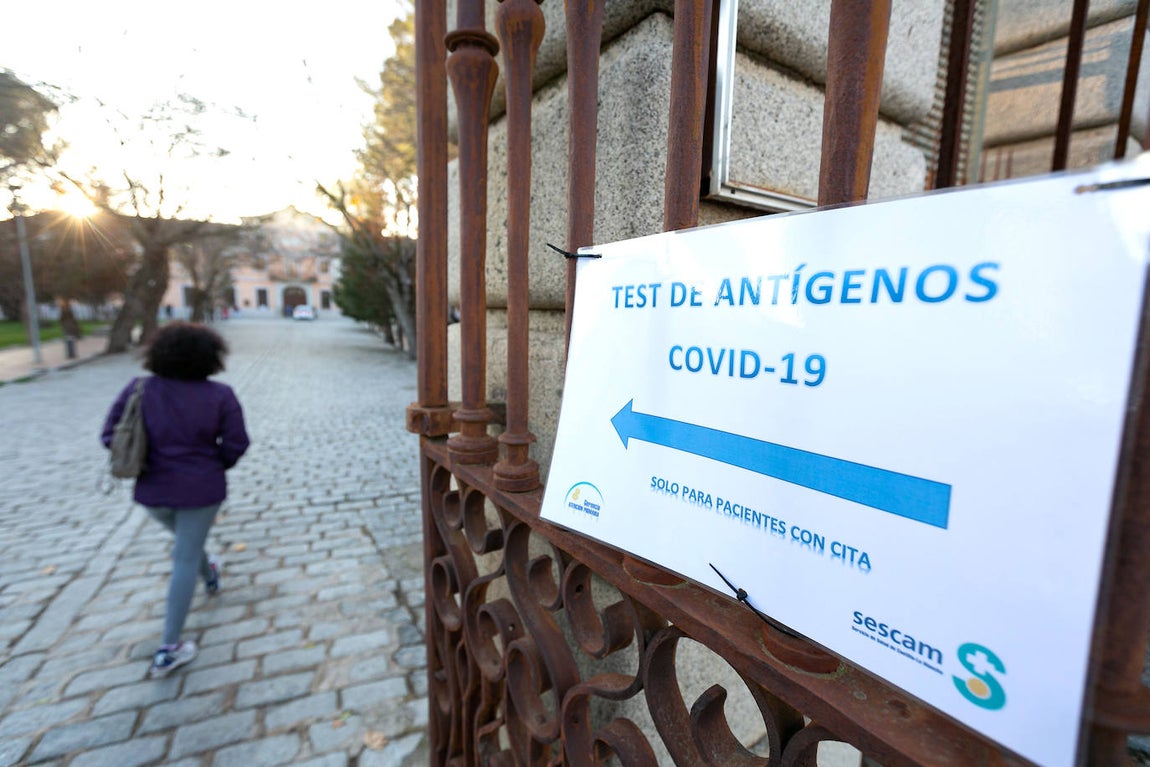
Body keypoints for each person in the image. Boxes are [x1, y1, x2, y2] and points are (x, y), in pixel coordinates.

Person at [100, 322, 250, 678]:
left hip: (152, 492)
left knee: (186, 546)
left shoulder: (140, 389)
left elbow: (111, 435)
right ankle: (170, 647)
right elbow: (236, 443)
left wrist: (149, 461)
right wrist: (213, 465)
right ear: (211, 357)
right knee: (184, 555)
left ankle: (209, 572)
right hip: (201, 490)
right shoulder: (220, 395)